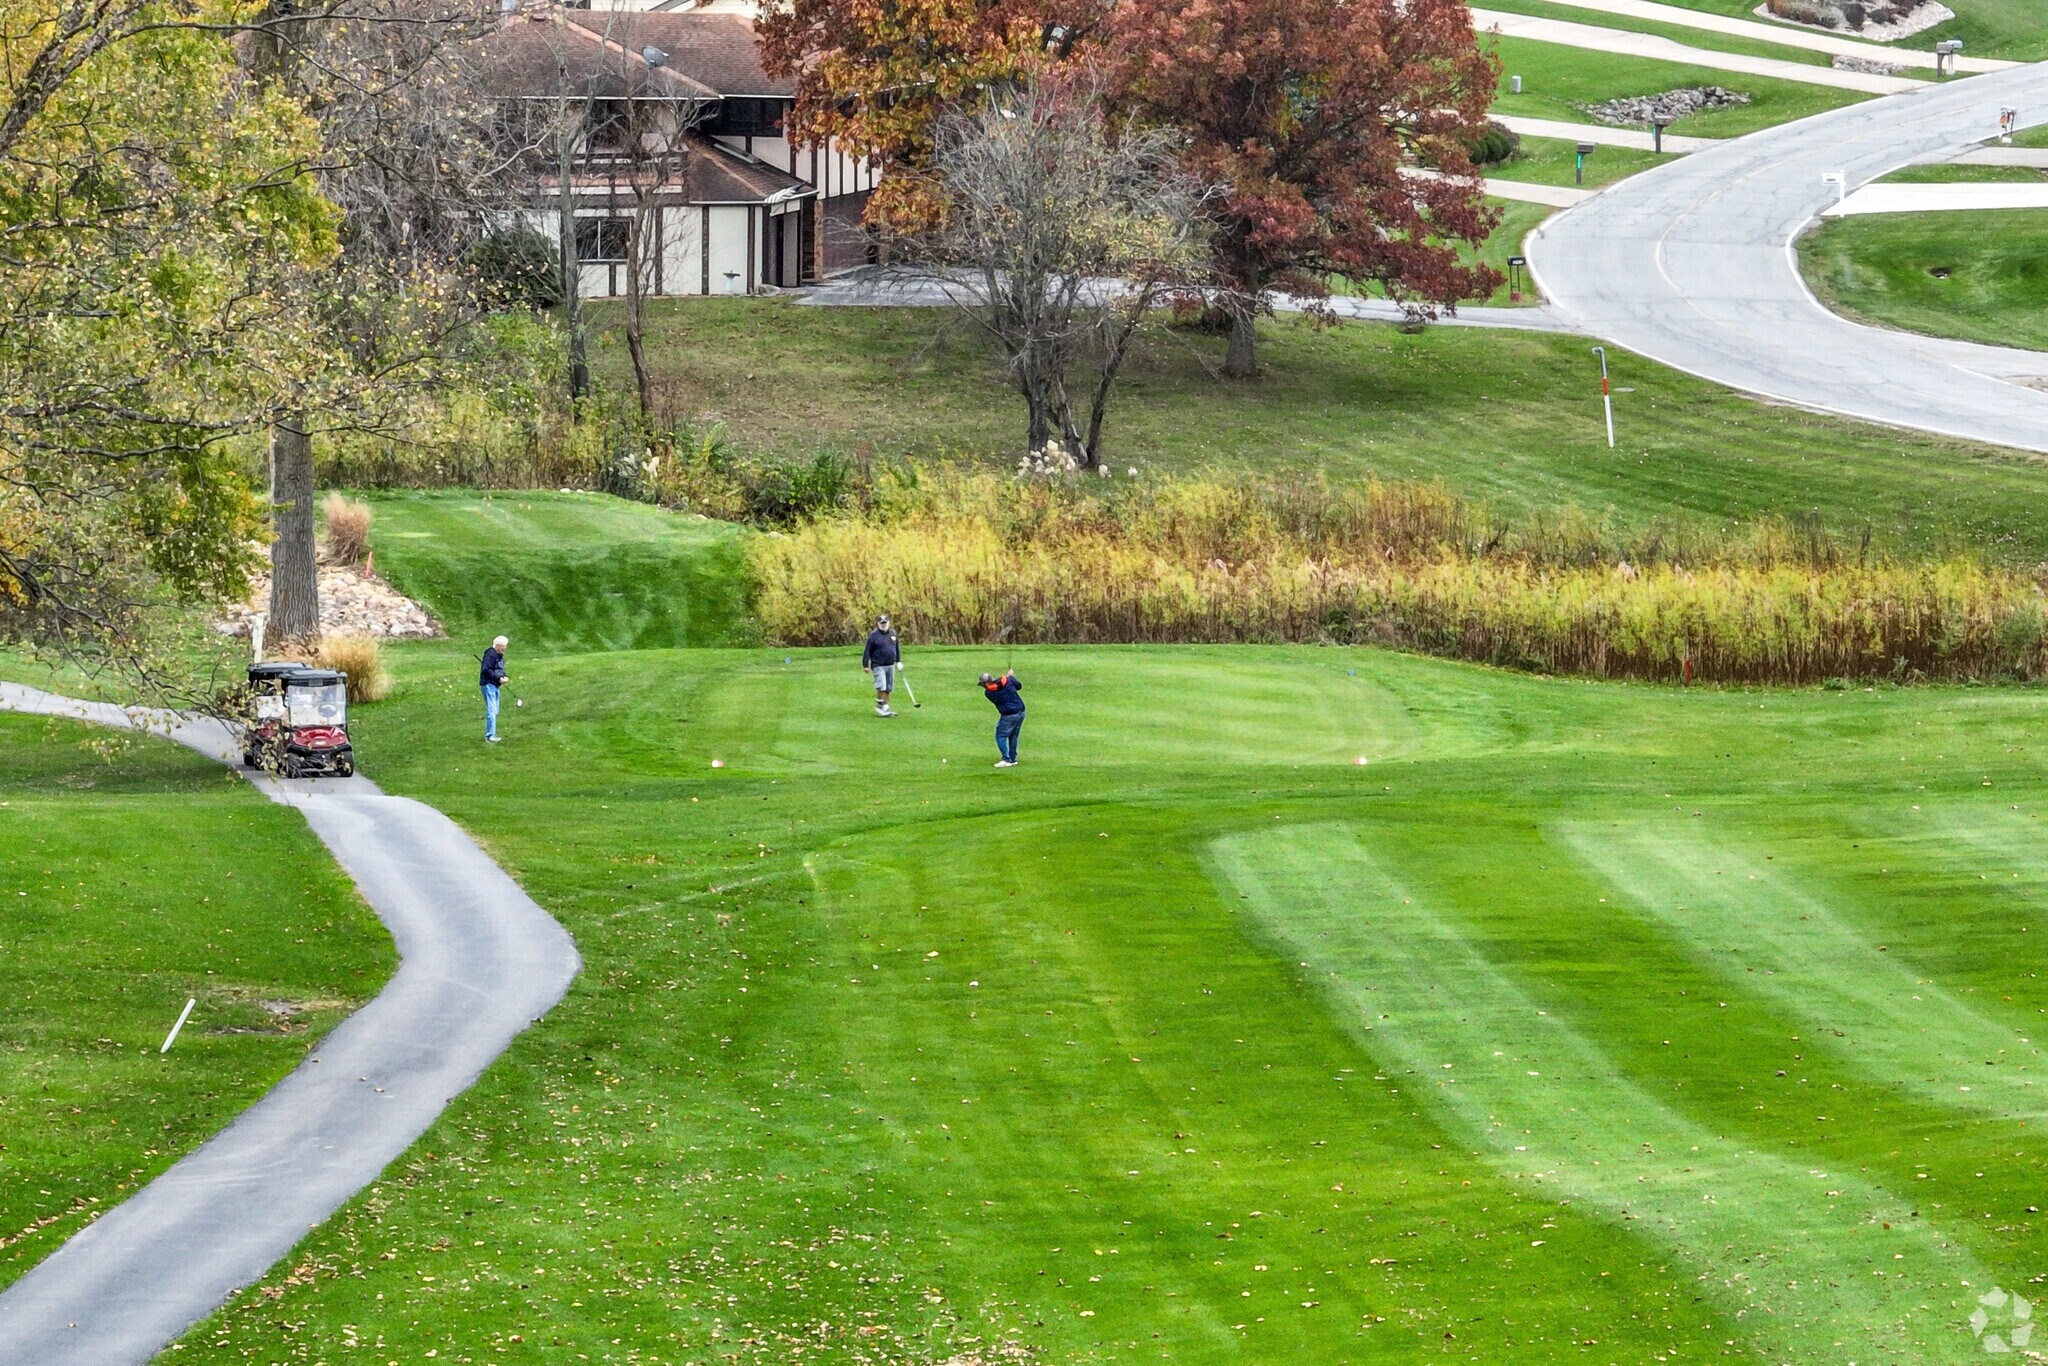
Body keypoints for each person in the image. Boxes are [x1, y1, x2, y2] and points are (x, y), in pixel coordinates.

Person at [980, 670, 1024, 767]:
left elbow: (998, 687)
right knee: (1013, 736)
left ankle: (1006, 759)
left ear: (986, 683)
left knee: (1000, 736)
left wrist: (1009, 678)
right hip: (1021, 711)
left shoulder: (989, 693)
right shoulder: (1007, 680)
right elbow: (1019, 686)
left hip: (1009, 715)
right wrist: (1011, 677)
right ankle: (1013, 759)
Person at [862, 613, 901, 718]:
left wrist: (898, 661)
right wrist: (865, 664)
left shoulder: (893, 633)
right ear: (878, 624)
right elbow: (867, 650)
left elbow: (896, 648)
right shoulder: (874, 635)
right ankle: (880, 706)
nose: (883, 625)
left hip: (890, 664)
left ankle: (885, 707)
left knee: (888, 687)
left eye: (885, 622)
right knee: (882, 686)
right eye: (881, 623)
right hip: (878, 665)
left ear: (888, 623)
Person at [480, 635, 509, 743]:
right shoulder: (490, 654)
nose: (504, 648)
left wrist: (504, 676)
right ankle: (490, 736)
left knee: (495, 709)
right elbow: (486, 669)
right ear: (497, 646)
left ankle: (491, 734)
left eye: (505, 646)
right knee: (492, 710)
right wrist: (498, 678)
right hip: (488, 685)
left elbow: (499, 669)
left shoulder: (499, 656)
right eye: (503, 646)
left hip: (495, 685)